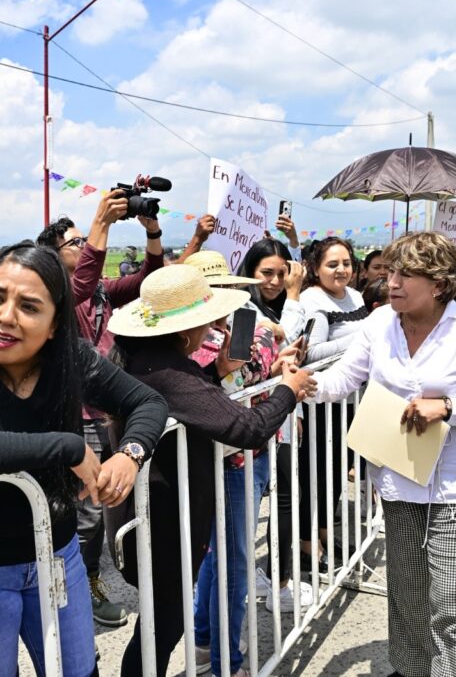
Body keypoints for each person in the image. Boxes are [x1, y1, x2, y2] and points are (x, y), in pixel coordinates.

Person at [0, 242, 168, 677]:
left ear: (54, 326)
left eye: (29, 306)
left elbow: (148, 402)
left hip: (56, 552)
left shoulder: (69, 358)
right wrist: (66, 447)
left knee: (78, 671)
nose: (5, 317)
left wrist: (130, 454)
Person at [311, 232, 456, 677]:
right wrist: (300, 383)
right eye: (391, 271)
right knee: (406, 592)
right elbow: (341, 380)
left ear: (440, 283)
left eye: (407, 274)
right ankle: (410, 670)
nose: (392, 282)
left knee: (451, 601)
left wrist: (449, 408)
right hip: (398, 477)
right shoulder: (378, 325)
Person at [107, 264, 314, 677]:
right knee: (162, 628)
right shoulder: (168, 371)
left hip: (159, 515)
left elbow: (191, 398)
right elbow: (247, 427)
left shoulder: (150, 360)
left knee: (161, 623)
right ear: (185, 332)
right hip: (164, 521)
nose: (211, 330)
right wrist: (288, 392)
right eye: (205, 323)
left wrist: (215, 372)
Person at [37, 194, 165, 627]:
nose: (83, 247)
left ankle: (76, 578)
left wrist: (151, 231)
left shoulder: (104, 294)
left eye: (82, 242)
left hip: (109, 413)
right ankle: (77, 585)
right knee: (89, 510)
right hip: (77, 415)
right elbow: (82, 284)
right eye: (74, 243)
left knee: (103, 506)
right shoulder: (58, 296)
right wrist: (101, 222)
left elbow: (149, 278)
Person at [234, 240, 314, 613]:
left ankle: (272, 579)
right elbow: (280, 337)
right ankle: (257, 589)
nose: (277, 281)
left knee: (283, 497)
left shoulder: (275, 304)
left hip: (277, 419)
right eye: (267, 272)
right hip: (252, 428)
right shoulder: (245, 308)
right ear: (248, 271)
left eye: (283, 274)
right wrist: (295, 296)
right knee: (243, 520)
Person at [299, 237, 367, 569]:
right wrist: (363, 340)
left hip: (351, 401)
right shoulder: (312, 299)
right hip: (321, 403)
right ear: (315, 268)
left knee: (337, 473)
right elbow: (310, 353)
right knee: (316, 474)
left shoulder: (356, 295)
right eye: (332, 264)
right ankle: (308, 542)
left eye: (346, 263)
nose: (341, 270)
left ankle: (325, 532)